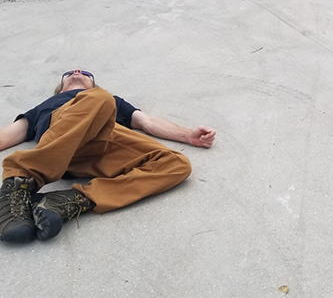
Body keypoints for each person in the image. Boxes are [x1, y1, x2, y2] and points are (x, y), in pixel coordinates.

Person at [0, 69, 216, 243]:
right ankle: (20, 183)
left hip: (103, 147)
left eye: (86, 73)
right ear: (59, 90)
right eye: (70, 73)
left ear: (94, 84)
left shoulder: (110, 100)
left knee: (177, 164)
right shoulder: (44, 107)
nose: (77, 71)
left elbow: (146, 122)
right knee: (101, 99)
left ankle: (67, 200)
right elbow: (7, 135)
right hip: (59, 143)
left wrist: (187, 135)